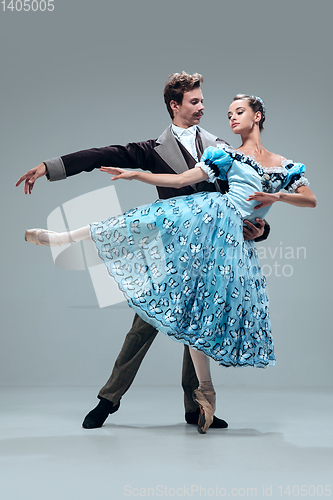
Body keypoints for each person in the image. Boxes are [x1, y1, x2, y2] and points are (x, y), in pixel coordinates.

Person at [16, 74, 269, 431]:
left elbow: (241, 201)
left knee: (197, 327)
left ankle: (195, 408)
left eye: (201, 101)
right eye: (194, 102)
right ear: (174, 106)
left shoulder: (221, 147)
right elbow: (102, 155)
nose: (201, 107)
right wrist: (49, 167)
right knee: (142, 327)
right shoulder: (153, 150)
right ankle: (108, 400)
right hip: (167, 252)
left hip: (209, 254)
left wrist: (258, 228)